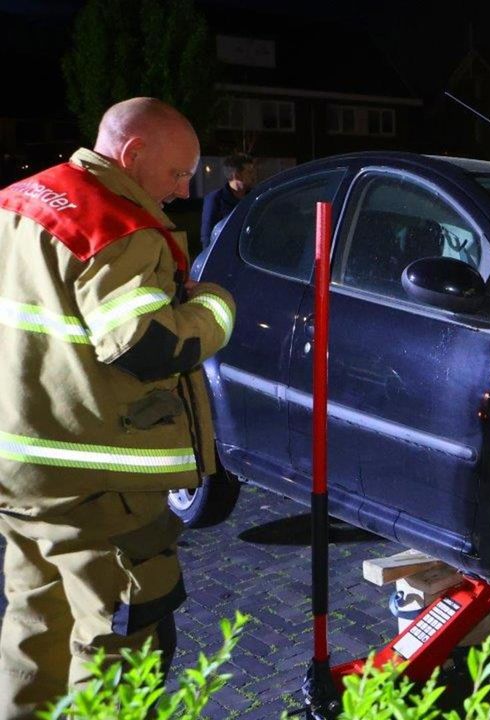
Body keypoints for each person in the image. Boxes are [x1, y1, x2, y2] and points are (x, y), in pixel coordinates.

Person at [0, 97, 235, 717]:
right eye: (178, 173)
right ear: (132, 156)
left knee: (35, 619)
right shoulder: (117, 225)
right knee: (118, 637)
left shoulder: (17, 201)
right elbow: (144, 344)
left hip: (21, 468)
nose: (184, 188)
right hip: (98, 483)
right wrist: (215, 310)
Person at [197, 152, 255, 257]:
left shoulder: (254, 197)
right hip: (226, 256)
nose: (253, 176)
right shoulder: (215, 199)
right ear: (237, 175)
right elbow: (207, 234)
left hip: (251, 256)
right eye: (249, 172)